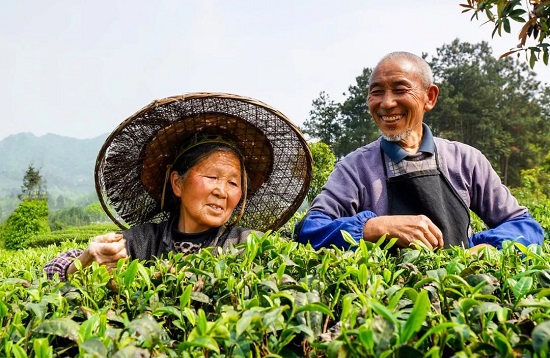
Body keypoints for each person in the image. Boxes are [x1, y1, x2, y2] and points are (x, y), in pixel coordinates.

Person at [45, 92, 312, 281]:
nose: (222, 190)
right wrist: (80, 264)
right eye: (212, 177)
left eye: (234, 182)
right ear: (177, 183)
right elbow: (51, 270)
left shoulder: (248, 243)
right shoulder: (141, 242)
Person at [294, 52, 544, 253]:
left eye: (400, 89)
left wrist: (484, 247)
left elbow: (525, 226)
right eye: (377, 91)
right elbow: (309, 229)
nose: (387, 103)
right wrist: (374, 227)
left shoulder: (466, 160)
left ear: (430, 97)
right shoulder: (355, 168)